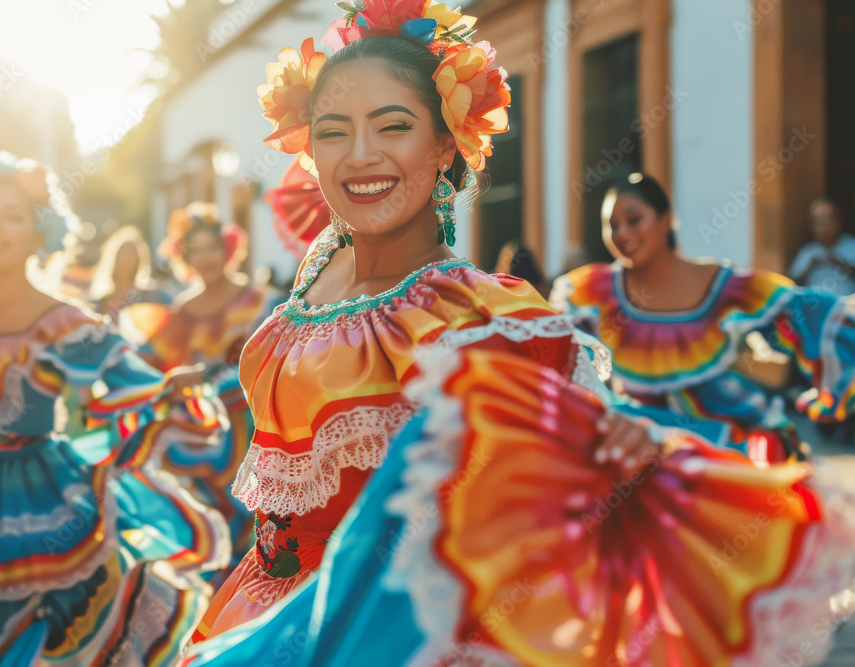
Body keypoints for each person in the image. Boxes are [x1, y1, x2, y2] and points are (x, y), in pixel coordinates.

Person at [180, 3, 855, 664]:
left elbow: (539, 503)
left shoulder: (482, 313)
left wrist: (611, 443)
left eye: (393, 126)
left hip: (395, 633)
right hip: (254, 614)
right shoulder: (315, 274)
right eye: (332, 131)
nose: (360, 156)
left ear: (446, 142)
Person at [0, 152, 229, 666]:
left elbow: (129, 384)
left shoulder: (64, 321)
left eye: (13, 216)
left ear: (39, 232)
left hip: (50, 493)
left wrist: (170, 389)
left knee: (68, 640)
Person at [551, 174, 855, 463]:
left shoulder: (721, 284)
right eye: (612, 225)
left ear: (666, 218)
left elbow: (807, 310)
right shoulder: (591, 291)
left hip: (730, 449)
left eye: (634, 219)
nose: (623, 233)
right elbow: (553, 355)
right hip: (642, 455)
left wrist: (833, 379)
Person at [120, 202, 270, 572]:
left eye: (212, 248)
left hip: (257, 427)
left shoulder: (259, 301)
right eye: (196, 250)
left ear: (228, 249)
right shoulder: (181, 312)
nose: (206, 258)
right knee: (218, 523)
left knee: (262, 519)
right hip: (206, 436)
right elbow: (149, 367)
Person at [90, 225, 171, 319]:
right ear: (113, 259)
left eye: (131, 254)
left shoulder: (151, 297)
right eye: (123, 254)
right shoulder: (98, 302)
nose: (126, 260)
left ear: (138, 260)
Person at [789, 196, 855, 297]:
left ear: (839, 219)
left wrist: (838, 263)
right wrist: (810, 267)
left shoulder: (852, 246)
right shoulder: (807, 251)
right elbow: (791, 284)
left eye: (828, 219)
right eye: (817, 221)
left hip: (847, 308)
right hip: (814, 308)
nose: (823, 226)